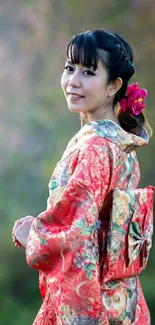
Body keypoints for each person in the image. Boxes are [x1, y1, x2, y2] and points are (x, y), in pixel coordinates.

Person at [12, 29, 154, 325]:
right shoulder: (121, 144)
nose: (73, 82)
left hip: (96, 303)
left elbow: (73, 237)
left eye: (89, 72)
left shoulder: (95, 148)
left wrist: (33, 236)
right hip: (124, 302)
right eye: (69, 68)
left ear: (114, 85)